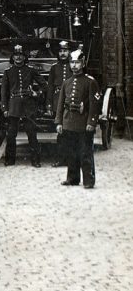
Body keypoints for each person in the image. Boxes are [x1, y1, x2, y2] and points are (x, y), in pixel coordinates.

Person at [56, 50, 101, 189]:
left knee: (85, 152)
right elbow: (61, 103)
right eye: (72, 62)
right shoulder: (66, 82)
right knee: (71, 152)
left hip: (83, 123)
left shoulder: (90, 82)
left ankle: (88, 180)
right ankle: (72, 178)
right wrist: (59, 121)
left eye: (77, 62)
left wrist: (91, 122)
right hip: (69, 121)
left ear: (83, 63)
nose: (74, 66)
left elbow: (94, 105)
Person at [1, 44, 41, 167]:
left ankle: (35, 161)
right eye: (16, 55)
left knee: (32, 133)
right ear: (12, 57)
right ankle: (9, 160)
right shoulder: (8, 72)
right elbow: (4, 92)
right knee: (11, 134)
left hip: (28, 106)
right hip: (14, 106)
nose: (18, 57)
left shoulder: (31, 70)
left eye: (21, 55)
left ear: (25, 57)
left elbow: (44, 85)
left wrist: (36, 93)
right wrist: (5, 108)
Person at [47, 41, 74, 167]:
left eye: (65, 51)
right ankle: (60, 159)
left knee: (71, 131)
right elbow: (50, 87)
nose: (63, 53)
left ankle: (71, 159)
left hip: (70, 102)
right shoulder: (54, 68)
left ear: (69, 52)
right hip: (57, 101)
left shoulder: (73, 66)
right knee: (60, 131)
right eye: (61, 51)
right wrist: (49, 104)